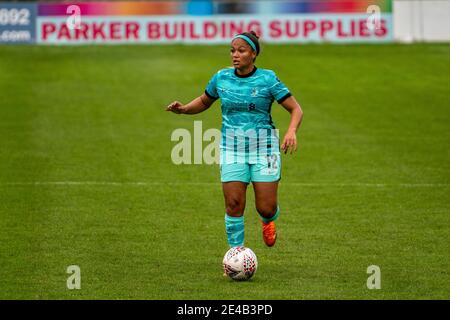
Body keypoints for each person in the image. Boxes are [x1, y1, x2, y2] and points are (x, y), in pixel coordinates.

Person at [166, 31, 303, 248]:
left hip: (265, 149)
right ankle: (235, 254)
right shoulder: (221, 77)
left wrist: (291, 131)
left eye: (241, 50)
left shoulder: (267, 79)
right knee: (233, 204)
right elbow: (204, 101)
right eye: (232, 50)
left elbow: (295, 109)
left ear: (253, 54)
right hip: (231, 148)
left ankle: (268, 221)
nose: (235, 55)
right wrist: (183, 109)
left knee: (265, 207)